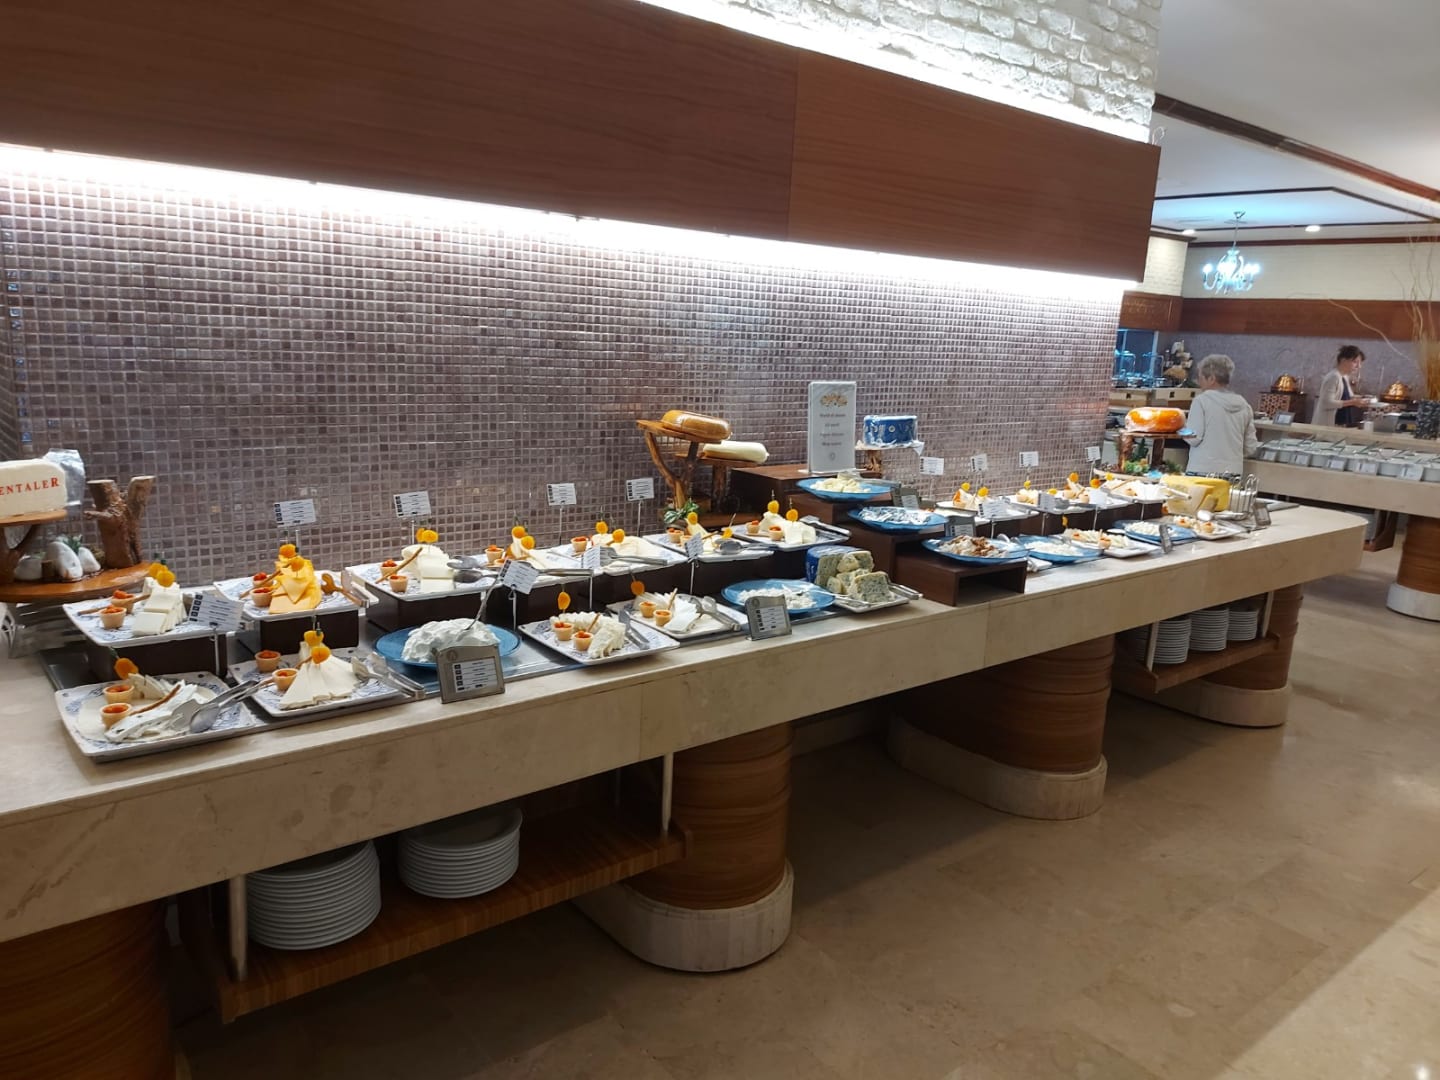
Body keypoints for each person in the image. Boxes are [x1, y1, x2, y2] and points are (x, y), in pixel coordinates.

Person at [1184, 354, 1258, 478]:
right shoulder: (1244, 405)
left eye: (1200, 377)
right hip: (1233, 472)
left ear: (1211, 379)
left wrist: (1180, 427)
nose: (1198, 382)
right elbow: (1250, 447)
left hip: (1202, 471)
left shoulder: (1201, 401)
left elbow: (1193, 438)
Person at [1315, 345, 1374, 427]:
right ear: (1343, 360)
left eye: (1360, 363)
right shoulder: (1333, 377)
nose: (1359, 366)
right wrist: (1353, 402)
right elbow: (1326, 403)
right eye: (1355, 362)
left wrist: (1363, 398)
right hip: (1328, 424)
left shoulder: (1344, 376)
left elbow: (1348, 397)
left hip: (1340, 424)